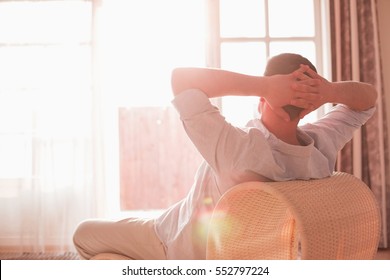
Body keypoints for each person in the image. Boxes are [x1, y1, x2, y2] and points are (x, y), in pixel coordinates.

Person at [73, 53, 377, 260]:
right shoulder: (320, 145)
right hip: (243, 248)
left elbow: (181, 79)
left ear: (263, 101)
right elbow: (367, 100)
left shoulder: (240, 149)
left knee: (84, 234)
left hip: (172, 242)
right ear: (309, 105)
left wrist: (267, 85)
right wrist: (325, 91)